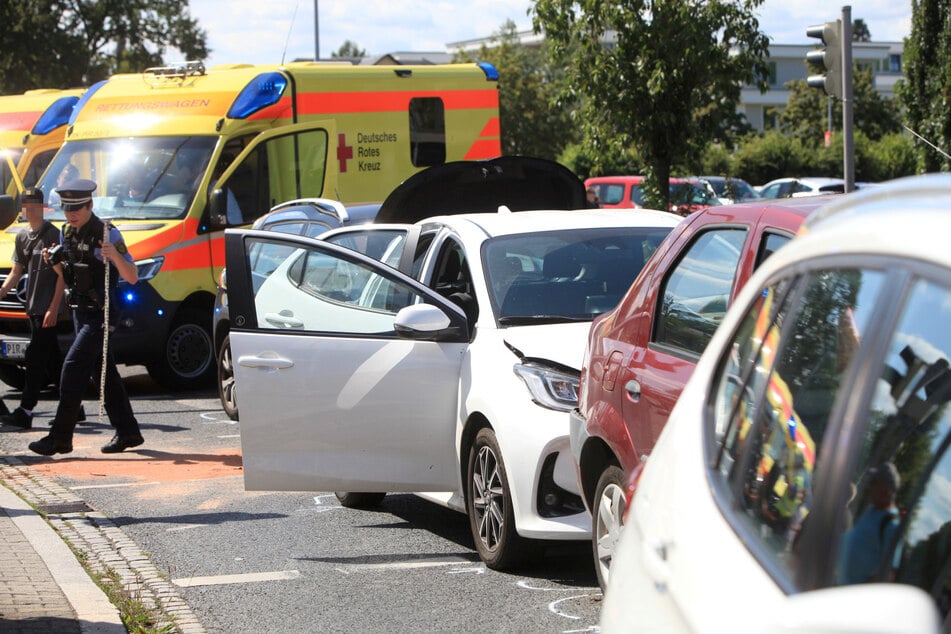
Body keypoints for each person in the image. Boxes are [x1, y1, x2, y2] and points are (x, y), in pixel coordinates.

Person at [28, 179, 144, 456]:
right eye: (67, 209)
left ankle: (60, 437)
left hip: (102, 314)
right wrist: (54, 263)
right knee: (103, 374)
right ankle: (128, 432)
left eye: (77, 208)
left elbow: (132, 276)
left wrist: (113, 256)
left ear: (90, 205)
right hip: (80, 311)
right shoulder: (67, 232)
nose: (71, 214)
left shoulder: (107, 233)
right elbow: (67, 277)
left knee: (72, 367)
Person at [0, 188, 67, 428]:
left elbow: (63, 276)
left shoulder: (53, 235)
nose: (30, 210)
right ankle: (75, 407)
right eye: (26, 205)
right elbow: (16, 272)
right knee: (53, 361)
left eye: (34, 205)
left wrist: (54, 307)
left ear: (43, 206)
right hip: (32, 306)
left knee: (35, 358)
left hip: (47, 307)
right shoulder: (22, 236)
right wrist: (2, 291)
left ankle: (26, 410)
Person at [836, 461, 902, 584]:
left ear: (885, 491)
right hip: (835, 581)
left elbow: (888, 574)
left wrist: (860, 593)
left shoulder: (892, 525)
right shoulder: (871, 509)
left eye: (873, 483)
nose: (870, 487)